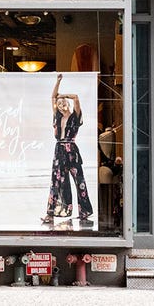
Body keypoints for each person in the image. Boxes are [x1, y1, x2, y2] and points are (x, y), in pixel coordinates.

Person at [42, 74, 93, 225]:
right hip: (59, 151)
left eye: (62, 102)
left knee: (80, 182)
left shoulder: (76, 116)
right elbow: (52, 97)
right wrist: (58, 82)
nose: (59, 104)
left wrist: (63, 95)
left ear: (66, 103)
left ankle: (84, 212)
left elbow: (76, 98)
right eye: (58, 103)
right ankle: (51, 214)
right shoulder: (57, 116)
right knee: (56, 182)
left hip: (72, 152)